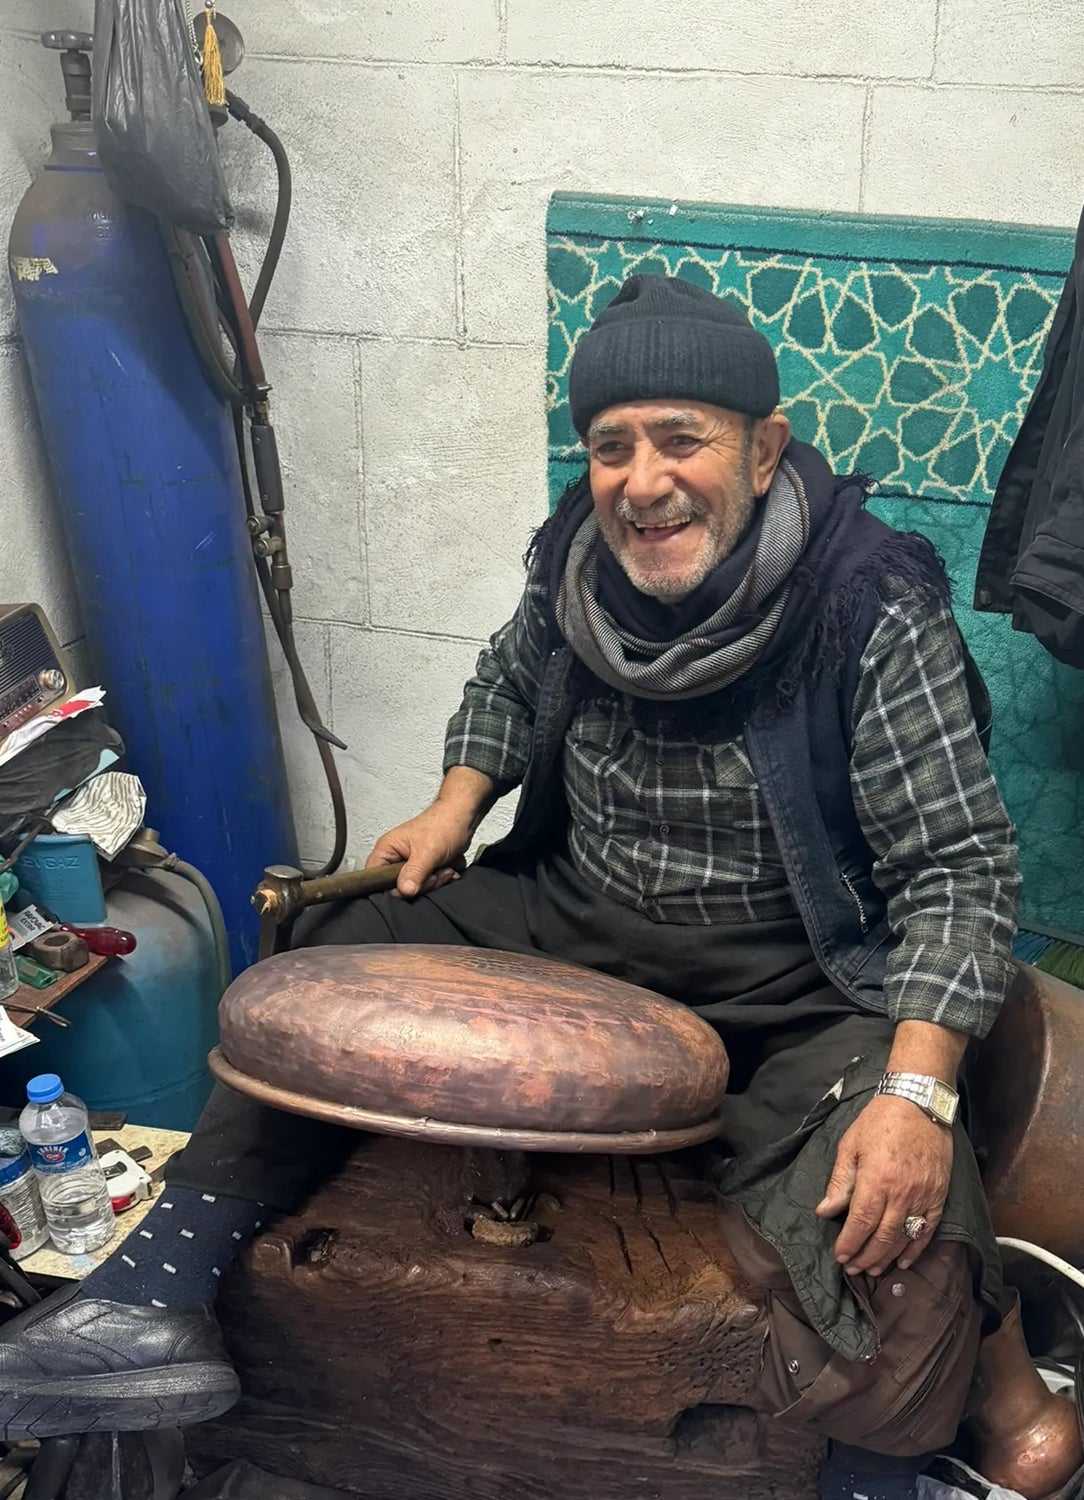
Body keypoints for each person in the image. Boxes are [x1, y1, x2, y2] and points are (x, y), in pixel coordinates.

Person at [0, 276, 1023, 1500]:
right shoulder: (578, 563)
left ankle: (858, 1471)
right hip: (576, 919)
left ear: (765, 449)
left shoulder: (868, 604)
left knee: (902, 1225)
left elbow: (959, 871)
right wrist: (451, 808)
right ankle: (156, 1299)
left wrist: (917, 1089)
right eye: (612, 447)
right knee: (326, 946)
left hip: (798, 971)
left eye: (681, 439)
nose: (644, 482)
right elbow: (503, 679)